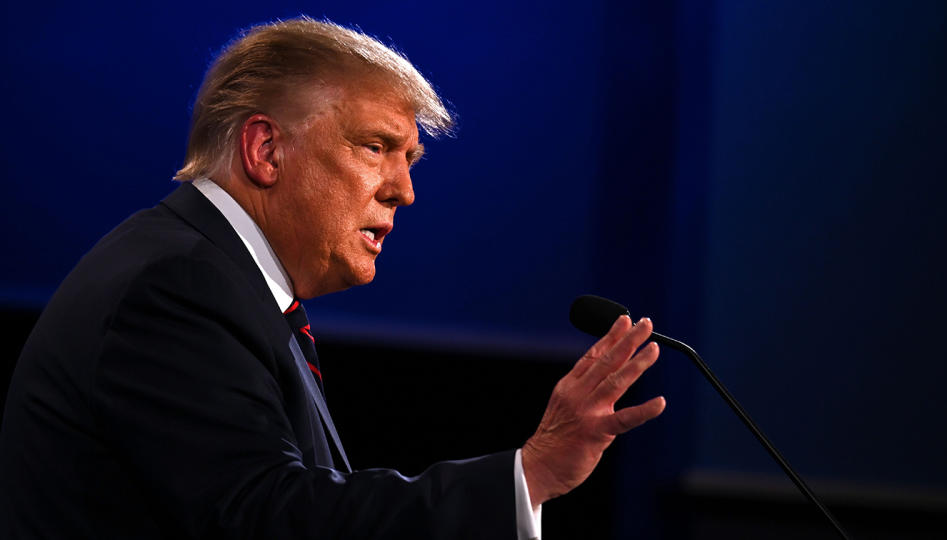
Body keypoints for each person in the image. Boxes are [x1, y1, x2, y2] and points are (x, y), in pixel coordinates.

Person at [0, 17, 665, 539]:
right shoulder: (175, 286)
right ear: (266, 150)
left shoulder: (223, 276)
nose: (403, 191)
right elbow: (265, 518)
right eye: (375, 148)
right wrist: (530, 473)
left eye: (410, 159)